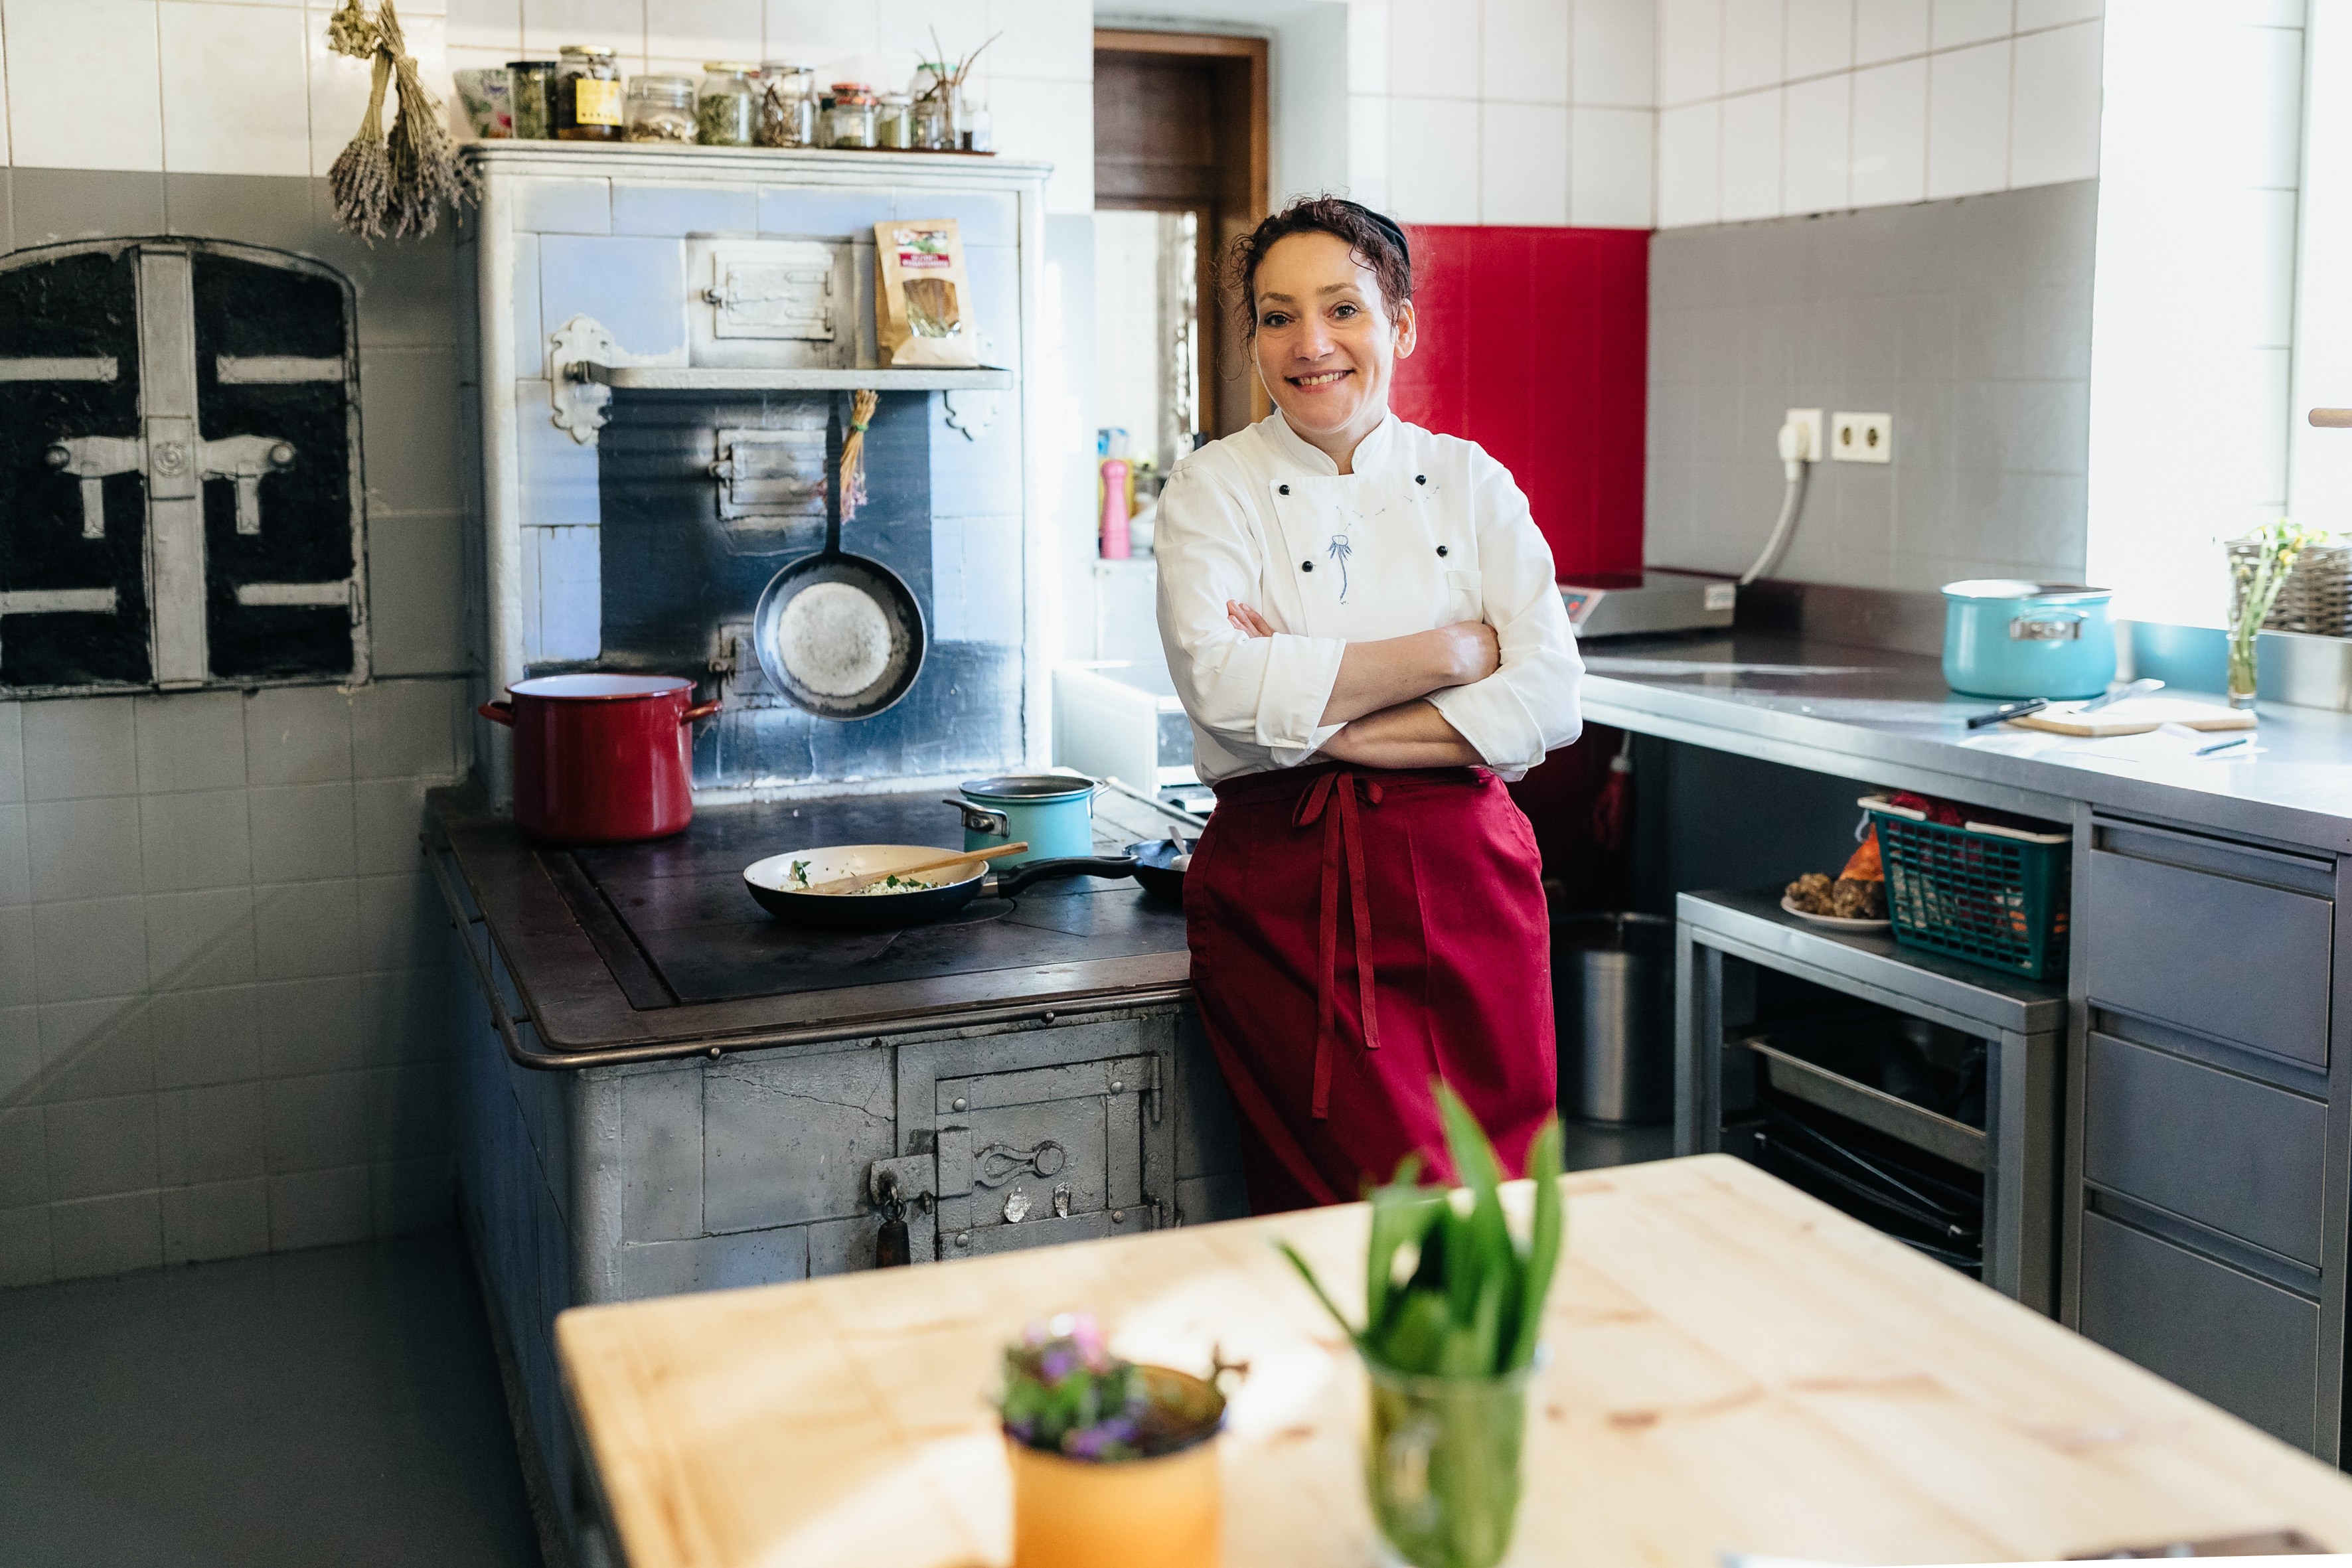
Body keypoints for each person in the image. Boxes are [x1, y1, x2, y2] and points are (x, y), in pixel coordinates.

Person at [1154, 195, 1584, 1212]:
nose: (1311, 344)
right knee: (1353, 1208)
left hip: (1473, 884)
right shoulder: (1213, 489)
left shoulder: (1470, 482)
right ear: (1253, 339)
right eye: (1278, 316)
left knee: (1496, 1196)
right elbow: (1222, 684)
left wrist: (1321, 721)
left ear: (1402, 324)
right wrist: (1450, 652)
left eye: (1343, 308)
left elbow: (1551, 696)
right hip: (1291, 896)